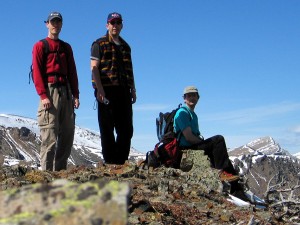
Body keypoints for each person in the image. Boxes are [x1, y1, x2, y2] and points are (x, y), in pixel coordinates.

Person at [32, 12, 80, 171]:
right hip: (49, 91)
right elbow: (37, 72)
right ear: (47, 24)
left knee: (67, 134)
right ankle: (45, 176)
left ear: (62, 24)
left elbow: (72, 71)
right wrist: (43, 95)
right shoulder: (40, 46)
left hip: (66, 91)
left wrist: (76, 94)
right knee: (49, 136)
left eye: (58, 22)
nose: (55, 25)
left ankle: (60, 174)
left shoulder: (66, 47)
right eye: (53, 22)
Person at [90, 12, 136, 164]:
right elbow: (94, 68)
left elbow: (130, 69)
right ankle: (110, 162)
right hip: (107, 91)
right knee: (107, 129)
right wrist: (99, 89)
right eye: (112, 22)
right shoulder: (99, 44)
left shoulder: (126, 47)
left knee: (126, 129)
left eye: (118, 22)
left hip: (124, 91)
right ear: (107, 25)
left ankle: (121, 161)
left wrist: (133, 88)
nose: (115, 25)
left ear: (121, 25)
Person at [173, 86, 240, 182]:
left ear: (197, 98)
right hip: (186, 148)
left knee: (222, 156)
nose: (192, 97)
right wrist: (203, 142)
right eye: (189, 95)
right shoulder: (182, 113)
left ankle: (232, 180)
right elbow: (189, 137)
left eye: (194, 95)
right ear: (184, 98)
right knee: (218, 140)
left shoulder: (192, 114)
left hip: (192, 146)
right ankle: (221, 173)